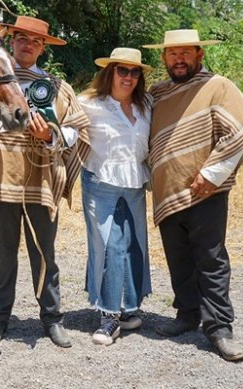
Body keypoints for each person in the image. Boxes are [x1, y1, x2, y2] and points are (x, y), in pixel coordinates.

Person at [0, 15, 90, 348]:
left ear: (43, 48)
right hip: (2, 180)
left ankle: (53, 319)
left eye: (35, 41)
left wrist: (51, 136)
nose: (28, 45)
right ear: (12, 42)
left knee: (45, 253)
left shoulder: (58, 87)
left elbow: (79, 131)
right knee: (3, 255)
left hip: (41, 182)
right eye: (22, 39)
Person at [142, 29, 243, 361]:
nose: (178, 59)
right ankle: (188, 315)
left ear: (199, 55)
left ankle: (220, 328)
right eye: (172, 54)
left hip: (206, 190)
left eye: (185, 53)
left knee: (211, 260)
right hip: (167, 192)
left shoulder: (217, 87)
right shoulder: (158, 93)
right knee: (179, 260)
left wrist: (212, 174)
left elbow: (242, 129)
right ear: (164, 58)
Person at [77, 48, 153, 346]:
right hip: (100, 182)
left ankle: (129, 310)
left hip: (135, 183)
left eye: (135, 72)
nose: (129, 77)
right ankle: (109, 317)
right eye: (123, 70)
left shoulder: (146, 103)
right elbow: (65, 131)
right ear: (110, 72)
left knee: (134, 244)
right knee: (109, 245)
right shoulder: (88, 103)